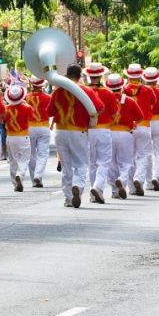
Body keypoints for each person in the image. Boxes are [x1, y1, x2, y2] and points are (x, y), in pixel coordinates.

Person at [50, 64, 102, 208]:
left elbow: (49, 112)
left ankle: (68, 198)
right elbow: (99, 108)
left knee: (66, 166)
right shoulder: (86, 90)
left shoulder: (58, 91)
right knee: (81, 164)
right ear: (80, 76)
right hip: (78, 131)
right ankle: (77, 187)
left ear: (66, 74)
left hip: (60, 131)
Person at [83, 63, 117, 204]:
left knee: (92, 162)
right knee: (104, 161)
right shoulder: (108, 93)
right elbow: (115, 113)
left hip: (88, 130)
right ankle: (98, 187)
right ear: (101, 76)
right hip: (103, 129)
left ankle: (93, 192)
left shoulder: (83, 91)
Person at [106, 73, 140, 200]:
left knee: (111, 163)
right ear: (122, 86)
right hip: (126, 133)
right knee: (126, 162)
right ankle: (122, 179)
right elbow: (140, 116)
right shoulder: (129, 100)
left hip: (108, 133)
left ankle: (115, 191)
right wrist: (134, 124)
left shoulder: (106, 100)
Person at [123, 63, 155, 195]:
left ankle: (131, 187)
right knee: (143, 156)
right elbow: (153, 102)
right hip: (145, 126)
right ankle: (139, 179)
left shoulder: (124, 89)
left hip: (129, 127)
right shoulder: (148, 90)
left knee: (129, 157)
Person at [3, 84, 34, 193]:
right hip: (23, 136)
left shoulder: (5, 109)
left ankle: (15, 183)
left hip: (10, 137)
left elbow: (2, 120)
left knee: (12, 161)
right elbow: (32, 117)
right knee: (24, 159)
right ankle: (20, 175)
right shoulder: (27, 107)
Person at [26, 77, 52, 188]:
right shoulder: (48, 97)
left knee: (31, 155)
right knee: (43, 153)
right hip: (43, 127)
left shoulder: (26, 97)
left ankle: (34, 179)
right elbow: (51, 113)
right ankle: (38, 175)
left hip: (30, 127)